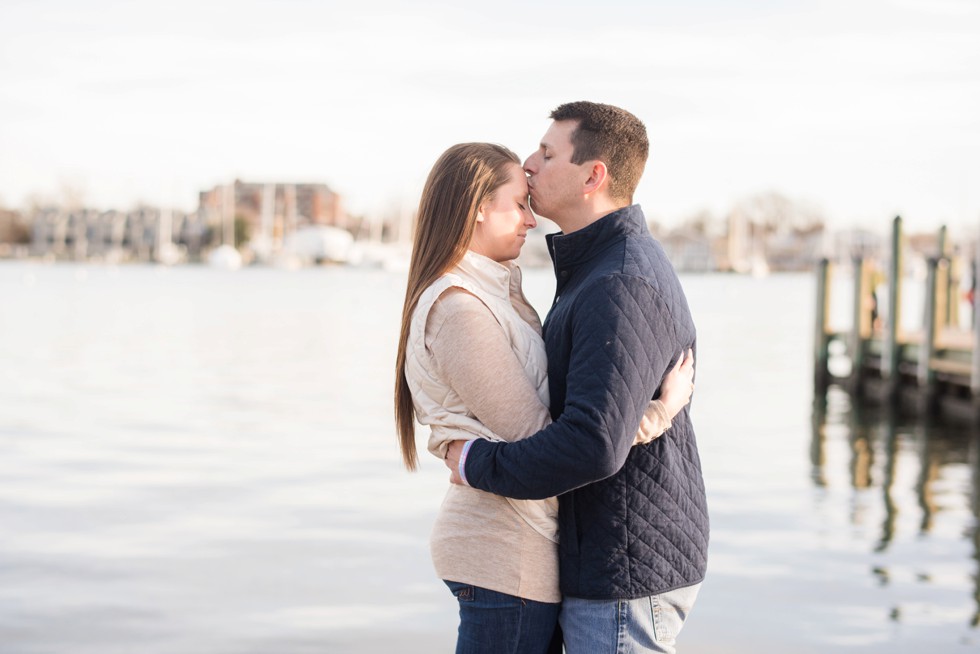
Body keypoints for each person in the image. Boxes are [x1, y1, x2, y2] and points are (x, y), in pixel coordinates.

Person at [394, 142, 696, 654]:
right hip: (503, 555)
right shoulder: (460, 309)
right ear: (477, 210)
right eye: (518, 204)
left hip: (521, 550)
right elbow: (541, 438)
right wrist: (656, 413)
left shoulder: (493, 294)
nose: (531, 220)